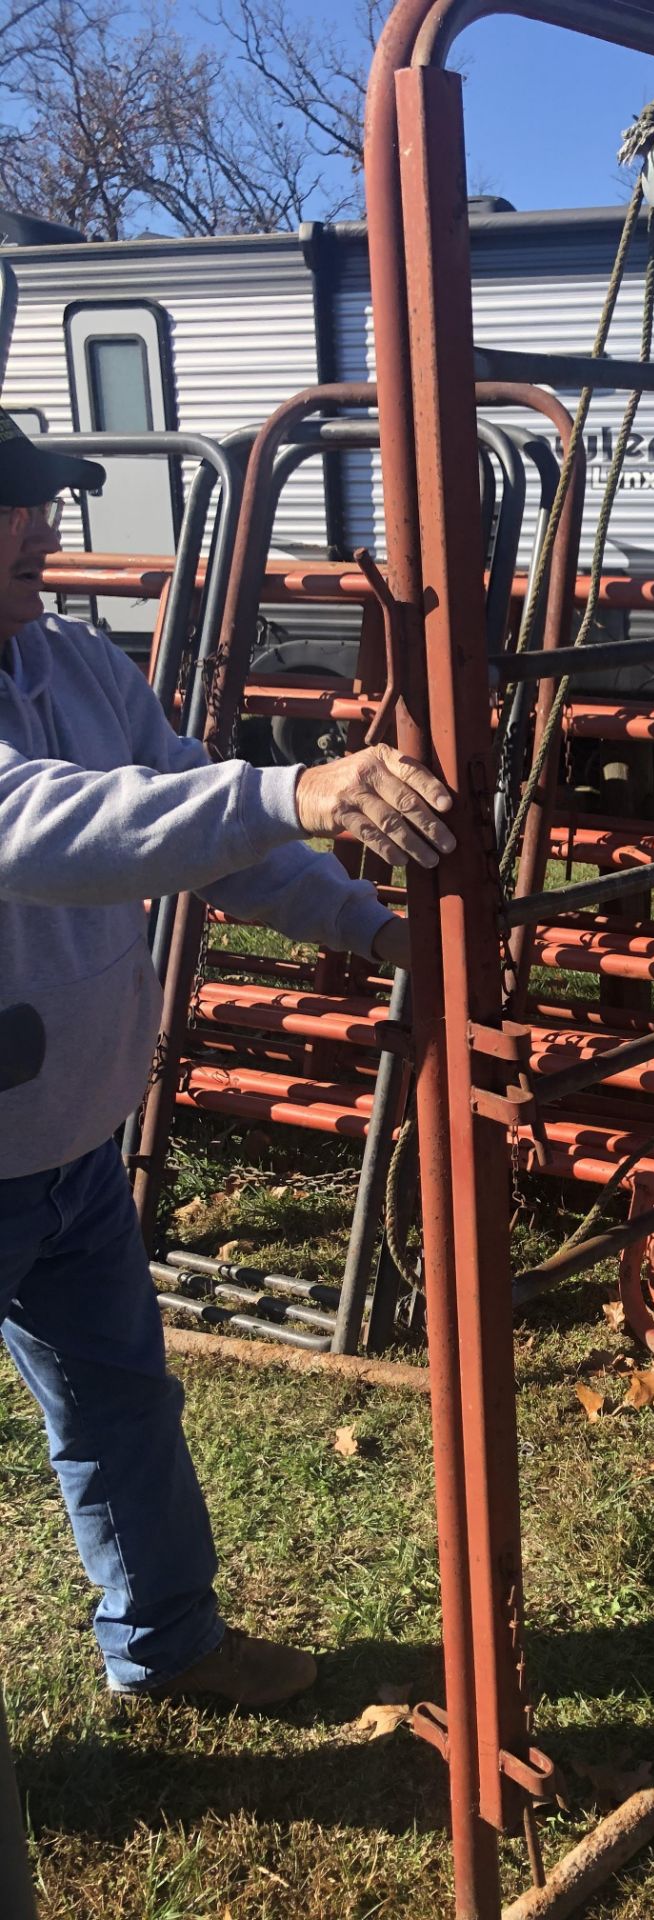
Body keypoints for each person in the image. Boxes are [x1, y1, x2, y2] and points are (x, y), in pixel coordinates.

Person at [0, 412, 454, 1707]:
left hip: (75, 1153)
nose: (43, 526)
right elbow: (44, 828)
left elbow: (206, 833)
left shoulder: (78, 667)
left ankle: (168, 1646)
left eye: (44, 501)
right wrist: (289, 788)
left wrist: (375, 931)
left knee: (122, 1410)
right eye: (13, 506)